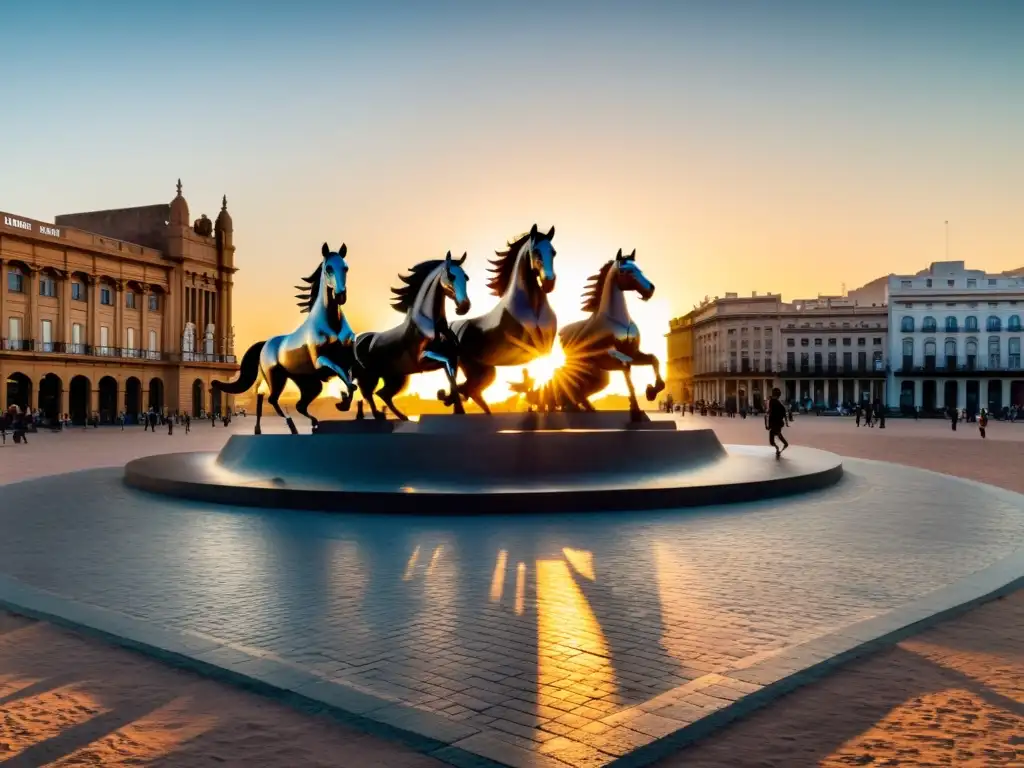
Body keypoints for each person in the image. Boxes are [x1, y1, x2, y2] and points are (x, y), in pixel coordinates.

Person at [766, 387, 789, 459]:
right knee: (777, 434)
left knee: (775, 435)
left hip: (775, 423)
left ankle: (778, 448)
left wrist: (768, 425)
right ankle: (779, 448)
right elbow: (784, 413)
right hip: (777, 423)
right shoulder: (777, 403)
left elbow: (770, 414)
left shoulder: (772, 401)